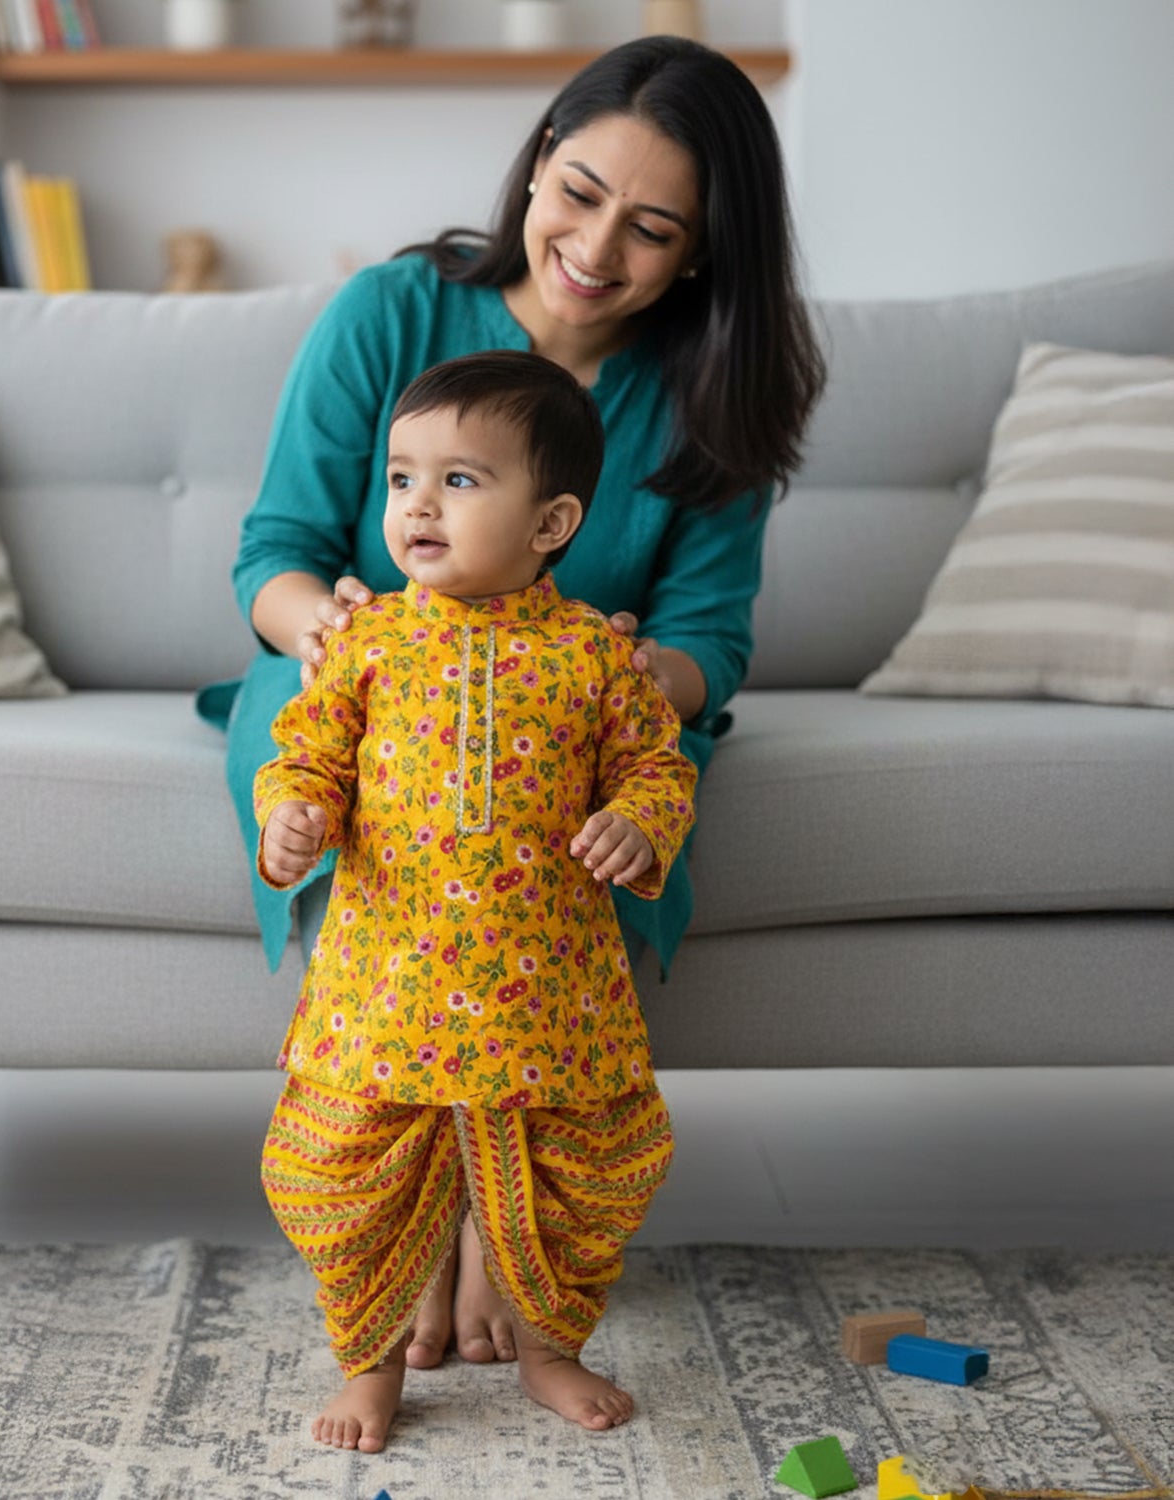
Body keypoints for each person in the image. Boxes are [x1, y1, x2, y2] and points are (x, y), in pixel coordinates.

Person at [196, 34, 824, 1373]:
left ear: (705, 251)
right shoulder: (391, 312)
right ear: (538, 160)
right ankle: (401, 1202)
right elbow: (278, 552)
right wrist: (338, 631)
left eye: (653, 229)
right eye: (580, 191)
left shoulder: (714, 390)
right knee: (322, 773)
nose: (597, 246)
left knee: (612, 801)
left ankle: (507, 1218)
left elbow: (709, 635)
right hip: (354, 673)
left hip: (586, 700)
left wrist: (598, 687)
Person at [256, 350, 696, 1453]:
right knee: (344, 1179)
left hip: (546, 998)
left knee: (575, 1185)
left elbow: (657, 767)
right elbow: (306, 756)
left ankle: (552, 1353)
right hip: (387, 992)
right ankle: (371, 1365)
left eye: (459, 481)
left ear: (550, 524)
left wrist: (640, 823)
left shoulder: (597, 658)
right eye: (401, 478)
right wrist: (294, 817)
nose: (417, 505)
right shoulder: (363, 643)